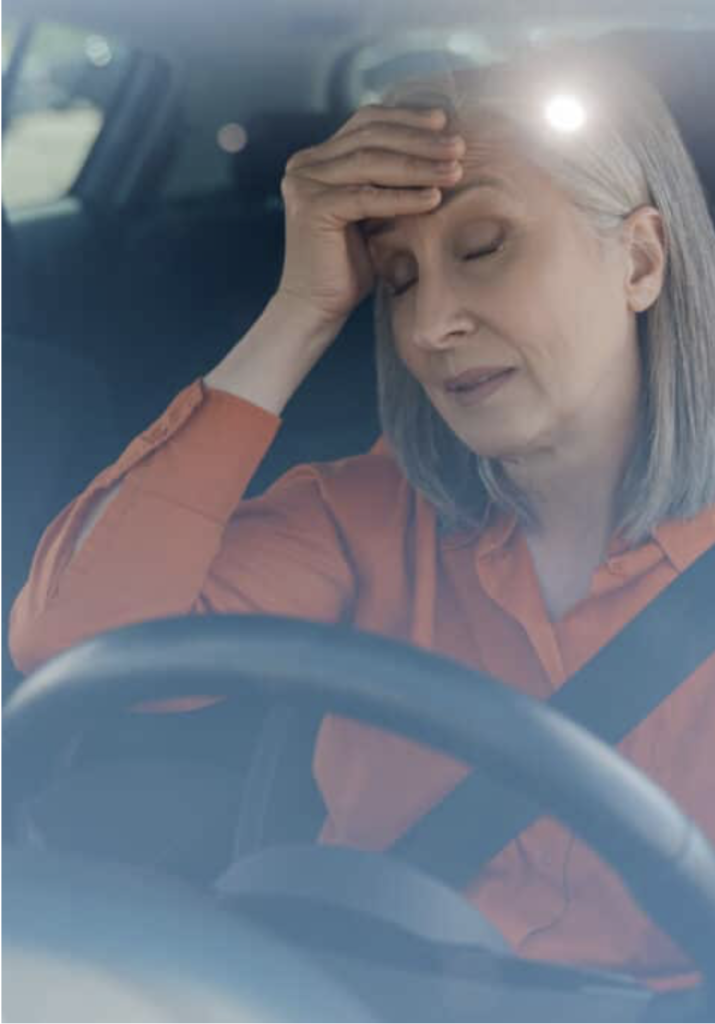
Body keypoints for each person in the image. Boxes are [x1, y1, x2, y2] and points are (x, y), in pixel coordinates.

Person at [9, 42, 715, 989]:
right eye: (397, 281)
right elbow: (71, 643)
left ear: (637, 261)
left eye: (482, 247)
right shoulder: (369, 512)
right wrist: (302, 306)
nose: (428, 328)